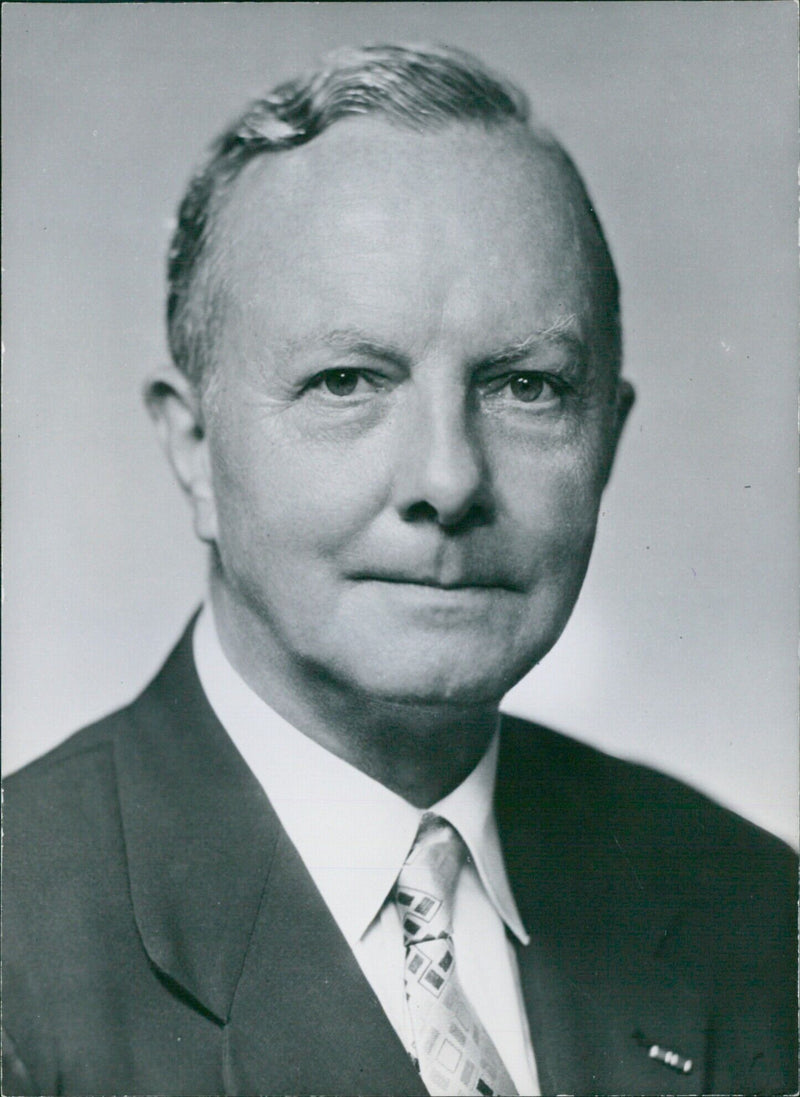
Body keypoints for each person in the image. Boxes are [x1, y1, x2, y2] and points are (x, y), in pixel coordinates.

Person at [2, 44, 795, 1097]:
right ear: (192, 446)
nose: (447, 477)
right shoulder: (21, 953)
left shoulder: (751, 909)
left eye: (525, 385)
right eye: (345, 380)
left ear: (606, 437)